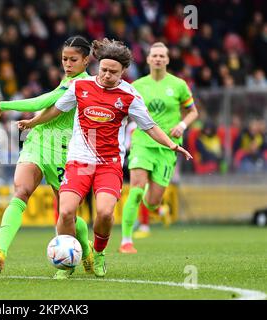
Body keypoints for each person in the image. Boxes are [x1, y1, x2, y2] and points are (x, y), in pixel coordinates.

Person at [17, 38, 192, 277]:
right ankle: (66, 265)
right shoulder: (80, 87)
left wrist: (172, 144)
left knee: (106, 213)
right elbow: (56, 109)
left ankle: (98, 253)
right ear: (98, 65)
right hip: (78, 161)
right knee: (66, 211)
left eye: (113, 72)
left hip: (109, 165)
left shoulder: (129, 96)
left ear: (123, 72)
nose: (107, 75)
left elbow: (150, 126)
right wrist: (32, 121)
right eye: (104, 70)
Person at [0, 36, 94, 280]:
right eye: (64, 59)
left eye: (73, 59)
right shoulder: (66, 80)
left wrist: (4, 104)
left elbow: (42, 101)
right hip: (38, 143)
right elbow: (47, 107)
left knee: (67, 215)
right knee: (21, 191)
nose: (67, 63)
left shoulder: (82, 84)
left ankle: (84, 249)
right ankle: (1, 252)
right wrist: (33, 123)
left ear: (86, 60)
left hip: (63, 152)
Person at [120, 42, 198, 250]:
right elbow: (124, 113)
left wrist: (182, 124)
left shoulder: (179, 85)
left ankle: (157, 209)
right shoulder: (137, 86)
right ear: (147, 59)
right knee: (135, 189)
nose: (158, 59)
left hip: (168, 147)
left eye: (162, 56)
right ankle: (126, 241)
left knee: (152, 201)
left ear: (167, 59)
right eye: (154, 55)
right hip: (143, 143)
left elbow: (193, 112)